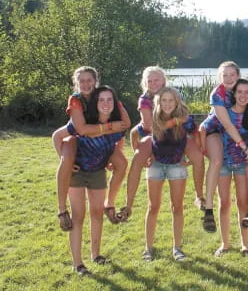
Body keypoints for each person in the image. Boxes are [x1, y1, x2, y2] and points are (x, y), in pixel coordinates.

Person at [53, 67, 130, 231]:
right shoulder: (76, 100)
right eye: (81, 81)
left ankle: (109, 203)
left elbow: (125, 124)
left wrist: (112, 131)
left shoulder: (103, 96)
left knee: (122, 163)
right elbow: (79, 130)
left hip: (102, 141)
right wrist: (110, 126)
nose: (86, 84)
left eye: (89, 80)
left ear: (96, 81)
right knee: (66, 160)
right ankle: (61, 209)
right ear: (76, 83)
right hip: (76, 135)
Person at [66, 86, 126, 275]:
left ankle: (96, 254)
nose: (106, 104)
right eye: (101, 100)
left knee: (97, 214)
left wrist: (111, 158)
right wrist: (65, 159)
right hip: (76, 172)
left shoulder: (118, 126)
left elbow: (119, 143)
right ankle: (78, 264)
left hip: (97, 172)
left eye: (110, 100)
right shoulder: (85, 123)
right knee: (78, 216)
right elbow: (59, 138)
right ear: (95, 102)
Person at [130, 66, 206, 210]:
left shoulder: (173, 93)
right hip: (153, 134)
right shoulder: (145, 99)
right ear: (145, 83)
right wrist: (174, 122)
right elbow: (149, 126)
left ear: (164, 80)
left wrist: (194, 142)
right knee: (137, 156)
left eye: (156, 80)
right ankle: (128, 205)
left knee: (198, 157)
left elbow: (184, 115)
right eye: (149, 81)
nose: (153, 83)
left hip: (176, 135)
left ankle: (199, 196)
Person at [199, 62, 248, 233]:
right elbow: (226, 124)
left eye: (232, 75)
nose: (229, 79)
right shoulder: (218, 94)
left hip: (233, 137)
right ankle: (208, 208)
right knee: (217, 161)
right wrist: (244, 145)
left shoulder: (242, 91)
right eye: (224, 75)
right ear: (220, 77)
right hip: (215, 129)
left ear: (238, 75)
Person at [211, 79, 248, 257]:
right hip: (223, 162)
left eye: (247, 92)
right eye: (240, 92)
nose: (243, 96)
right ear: (234, 93)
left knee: (242, 203)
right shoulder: (225, 113)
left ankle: (245, 245)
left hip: (242, 164)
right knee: (224, 203)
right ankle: (224, 244)